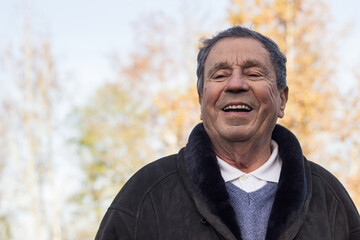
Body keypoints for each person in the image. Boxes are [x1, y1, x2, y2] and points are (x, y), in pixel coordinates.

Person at [95, 26, 360, 240]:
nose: (235, 84)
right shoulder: (145, 196)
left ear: (281, 98)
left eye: (254, 73)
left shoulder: (330, 200)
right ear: (201, 99)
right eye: (220, 75)